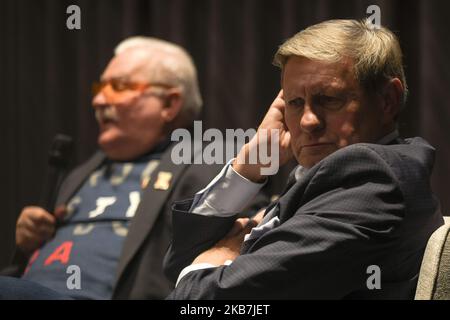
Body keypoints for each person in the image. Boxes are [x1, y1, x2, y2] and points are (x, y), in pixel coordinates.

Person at [163, 19, 444, 299]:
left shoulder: (369, 178)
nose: (308, 121)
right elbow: (179, 267)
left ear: (387, 100)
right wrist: (248, 169)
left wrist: (210, 262)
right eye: (295, 103)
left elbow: (198, 301)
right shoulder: (334, 177)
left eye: (329, 99)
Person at [0, 37, 268, 299]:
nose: (99, 101)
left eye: (118, 86)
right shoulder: (79, 174)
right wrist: (26, 245)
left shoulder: (210, 162)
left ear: (169, 104)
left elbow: (256, 241)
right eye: (99, 88)